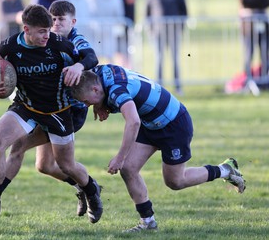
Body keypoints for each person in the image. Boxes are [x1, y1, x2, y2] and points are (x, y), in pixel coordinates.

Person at [0, 0, 101, 221]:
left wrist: (78, 67)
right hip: (25, 108)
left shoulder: (61, 44)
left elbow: (91, 59)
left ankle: (92, 189)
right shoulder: (10, 46)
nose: (48, 35)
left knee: (61, 165)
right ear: (26, 29)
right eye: (42, 31)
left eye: (50, 29)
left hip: (59, 111)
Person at [70, 65, 246, 232]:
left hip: (174, 124)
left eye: (86, 102)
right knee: (129, 169)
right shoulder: (99, 73)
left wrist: (120, 157)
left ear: (95, 90)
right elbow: (101, 84)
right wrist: (100, 104)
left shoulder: (117, 91)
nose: (86, 105)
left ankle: (225, 170)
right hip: (151, 123)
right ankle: (148, 222)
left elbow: (133, 122)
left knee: (175, 182)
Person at [145, 0, 188, 94]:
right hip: (158, 33)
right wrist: (151, 30)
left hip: (174, 32)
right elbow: (147, 13)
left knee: (175, 59)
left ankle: (178, 86)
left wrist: (180, 27)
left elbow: (184, 11)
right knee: (159, 59)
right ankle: (159, 87)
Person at [236, 0, 269, 96]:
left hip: (262, 26)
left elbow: (264, 1)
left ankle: (264, 80)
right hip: (248, 27)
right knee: (248, 54)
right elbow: (244, 1)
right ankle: (248, 81)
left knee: (264, 53)